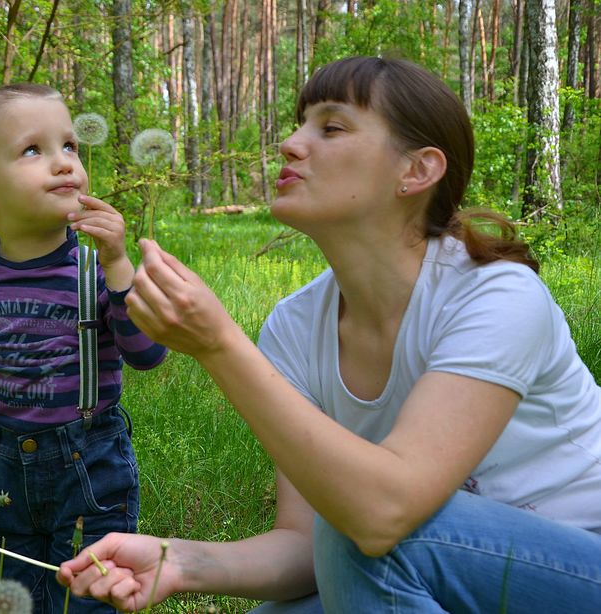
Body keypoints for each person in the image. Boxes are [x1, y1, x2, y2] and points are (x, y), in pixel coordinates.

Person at [57, 56, 601, 613]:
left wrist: (219, 345)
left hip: (584, 560)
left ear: (416, 171)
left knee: (366, 529)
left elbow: (381, 517)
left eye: (331, 127)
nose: (291, 144)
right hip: (437, 561)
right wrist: (181, 562)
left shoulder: (496, 295)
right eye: (299, 123)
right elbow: (303, 542)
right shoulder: (295, 327)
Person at [0, 83, 167, 613]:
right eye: (34, 150)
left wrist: (121, 266)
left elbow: (147, 353)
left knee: (89, 595)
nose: (63, 163)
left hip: (90, 467)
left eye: (71, 146)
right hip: (1, 468)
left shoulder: (95, 269)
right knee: (4, 596)